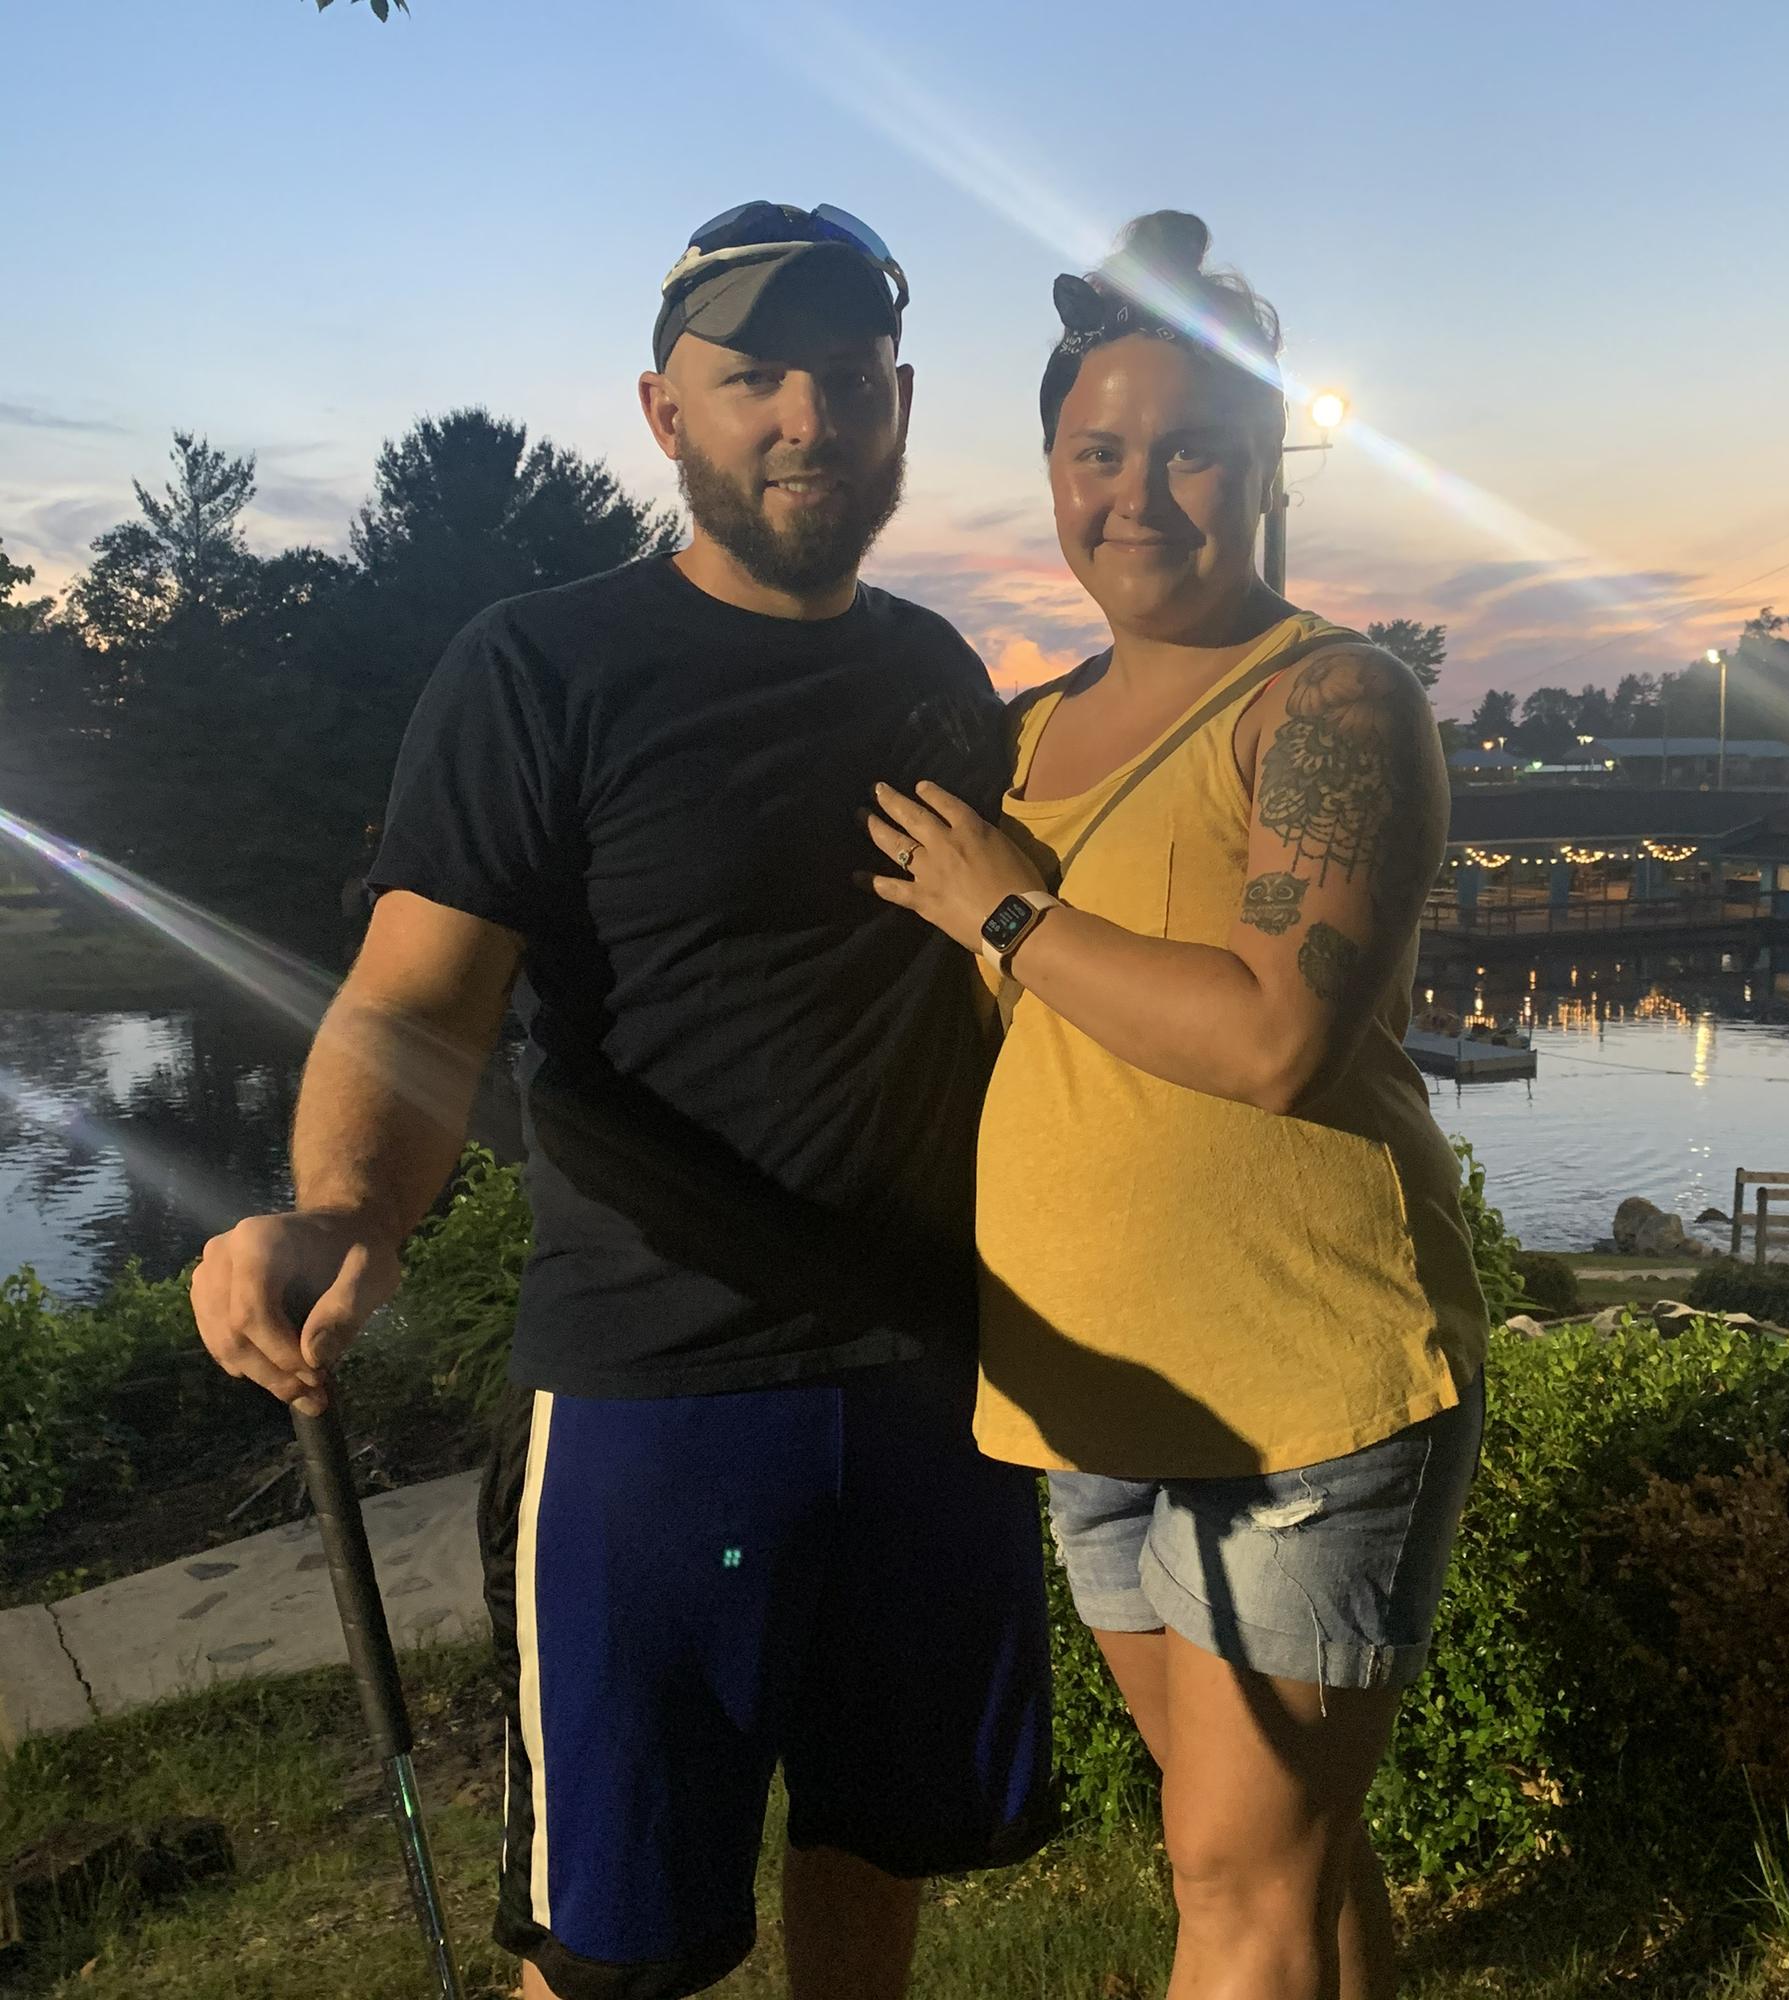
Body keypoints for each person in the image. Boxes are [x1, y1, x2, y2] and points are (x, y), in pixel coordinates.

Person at [191, 200, 1054, 2000]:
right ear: (666, 414)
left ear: (902, 406)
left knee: (877, 1850)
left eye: (851, 378)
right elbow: (414, 1004)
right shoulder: (541, 667)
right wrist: (344, 1209)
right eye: (757, 378)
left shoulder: (936, 676)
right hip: (655, 1402)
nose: (809, 417)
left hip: (930, 1387)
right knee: (610, 1956)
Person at [867, 211, 1488, 2000]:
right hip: (1090, 1395)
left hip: (1304, 1385)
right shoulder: (1021, 733)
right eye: (1099, 453)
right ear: (1052, 473)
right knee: (1282, 1852)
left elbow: (1276, 1036)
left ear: (1268, 468)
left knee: (1233, 1878)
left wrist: (1011, 912)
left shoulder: (1332, 702)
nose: (1138, 496)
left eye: (1193, 451)